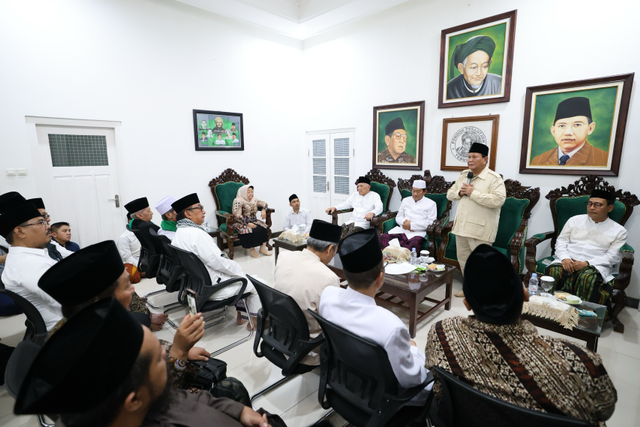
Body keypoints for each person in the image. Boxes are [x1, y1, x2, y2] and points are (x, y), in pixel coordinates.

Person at [426, 245, 616, 426]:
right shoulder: (578, 361)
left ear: (467, 303)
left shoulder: (442, 333)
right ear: (526, 296)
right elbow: (605, 408)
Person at [14, 297, 270, 427]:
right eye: (158, 359)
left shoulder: (144, 398)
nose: (164, 353)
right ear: (134, 400)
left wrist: (239, 411)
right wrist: (179, 352)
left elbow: (182, 398)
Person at [320, 229, 431, 405]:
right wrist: (414, 350)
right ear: (380, 278)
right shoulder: (391, 326)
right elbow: (412, 379)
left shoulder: (327, 295)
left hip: (343, 380)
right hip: (380, 400)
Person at [171, 193, 261, 329]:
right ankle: (254, 321)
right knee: (256, 283)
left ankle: (241, 316)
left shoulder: (179, 233)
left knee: (241, 276)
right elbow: (218, 262)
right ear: (188, 214)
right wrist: (238, 269)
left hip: (197, 287)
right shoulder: (197, 235)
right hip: (214, 288)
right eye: (200, 208)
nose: (204, 211)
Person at [544, 189, 627, 308]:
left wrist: (587, 263)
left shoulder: (619, 231)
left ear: (610, 208)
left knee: (588, 277)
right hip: (569, 258)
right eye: (589, 204)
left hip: (596, 264)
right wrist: (565, 258)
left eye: (598, 204)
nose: (592, 207)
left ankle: (585, 316)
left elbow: (613, 256)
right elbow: (561, 241)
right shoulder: (574, 220)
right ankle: (552, 309)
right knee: (554, 270)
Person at [273, 220, 341, 365]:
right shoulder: (329, 278)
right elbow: (332, 324)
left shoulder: (284, 257)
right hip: (306, 350)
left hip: (279, 334)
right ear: (330, 249)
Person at [446, 142, 506, 297]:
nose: (470, 160)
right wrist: (460, 193)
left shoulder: (494, 178)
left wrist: (473, 193)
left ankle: (483, 294)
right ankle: (469, 290)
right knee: (465, 261)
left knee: (482, 264)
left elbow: (498, 200)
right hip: (462, 227)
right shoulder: (464, 175)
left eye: (474, 157)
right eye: (469, 157)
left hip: (481, 229)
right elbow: (450, 194)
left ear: (485, 159)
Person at [0, 201, 62, 330]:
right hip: (65, 328)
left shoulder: (25, 257)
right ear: (20, 231)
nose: (48, 226)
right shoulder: (28, 264)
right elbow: (69, 301)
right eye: (40, 222)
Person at [531, 97, 608, 167]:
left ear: (590, 128)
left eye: (577, 125)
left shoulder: (604, 159)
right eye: (562, 126)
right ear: (553, 131)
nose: (568, 132)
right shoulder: (538, 160)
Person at [378, 179, 437, 252]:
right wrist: (404, 223)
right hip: (402, 229)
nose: (415, 194)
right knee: (382, 238)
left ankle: (401, 259)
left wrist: (412, 225)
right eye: (413, 191)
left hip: (417, 232)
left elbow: (430, 223)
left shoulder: (431, 204)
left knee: (412, 246)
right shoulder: (405, 200)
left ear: (424, 191)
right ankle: (390, 258)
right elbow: (398, 217)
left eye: (418, 191)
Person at [446, 35, 502, 100]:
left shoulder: (499, 84)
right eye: (473, 67)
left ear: (489, 64)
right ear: (461, 68)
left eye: (484, 66)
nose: (479, 73)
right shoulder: (449, 88)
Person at [230, 185, 272, 258]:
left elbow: (264, 204)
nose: (251, 194)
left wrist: (263, 210)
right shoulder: (238, 201)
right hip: (241, 221)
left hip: (253, 220)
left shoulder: (254, 200)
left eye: (252, 192)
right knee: (250, 230)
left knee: (263, 227)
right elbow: (236, 215)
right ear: (243, 192)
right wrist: (247, 223)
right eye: (248, 192)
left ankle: (262, 248)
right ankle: (252, 250)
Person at [117, 197, 153, 266]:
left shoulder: (152, 229)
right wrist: (141, 267)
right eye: (148, 211)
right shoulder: (124, 238)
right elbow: (127, 259)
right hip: (140, 269)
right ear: (139, 215)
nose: (152, 213)